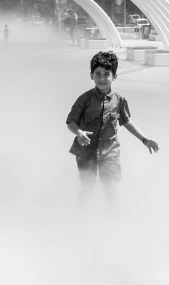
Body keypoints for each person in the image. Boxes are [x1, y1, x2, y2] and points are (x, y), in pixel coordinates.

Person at [65, 51, 159, 211]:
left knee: (110, 186)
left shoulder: (119, 101)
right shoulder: (84, 99)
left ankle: (112, 219)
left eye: (106, 74)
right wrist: (79, 132)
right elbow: (70, 122)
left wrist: (145, 139)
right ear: (91, 75)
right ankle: (78, 213)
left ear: (114, 76)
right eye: (97, 74)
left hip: (110, 152)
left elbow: (127, 121)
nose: (102, 79)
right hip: (86, 152)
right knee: (88, 187)